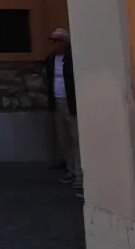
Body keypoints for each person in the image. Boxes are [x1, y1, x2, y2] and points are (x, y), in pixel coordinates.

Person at [46, 28, 81, 195]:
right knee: (63, 138)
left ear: (64, 42)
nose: (53, 44)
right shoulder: (51, 59)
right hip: (57, 101)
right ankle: (71, 170)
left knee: (76, 138)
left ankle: (80, 175)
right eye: (51, 40)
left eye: (56, 40)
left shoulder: (73, 59)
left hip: (70, 102)